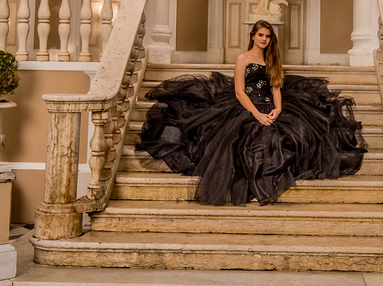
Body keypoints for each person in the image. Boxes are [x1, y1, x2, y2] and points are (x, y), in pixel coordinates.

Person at [136, 20, 367, 205]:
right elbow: (239, 92)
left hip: (271, 106)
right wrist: (257, 114)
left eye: (268, 36)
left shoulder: (272, 59)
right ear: (253, 37)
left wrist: (278, 108)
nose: (264, 39)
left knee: (298, 133)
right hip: (246, 105)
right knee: (253, 137)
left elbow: (276, 88)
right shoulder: (243, 59)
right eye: (260, 36)